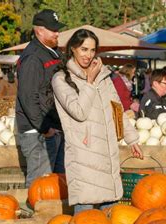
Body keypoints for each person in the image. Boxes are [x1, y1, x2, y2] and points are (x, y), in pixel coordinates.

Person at [51, 29, 143, 214]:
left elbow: (117, 109)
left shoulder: (103, 76)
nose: (88, 55)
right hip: (84, 154)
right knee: (85, 221)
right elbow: (79, 112)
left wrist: (132, 139)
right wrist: (90, 83)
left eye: (92, 50)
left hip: (107, 152)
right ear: (73, 49)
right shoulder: (61, 79)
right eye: (84, 49)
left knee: (110, 219)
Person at [15, 9, 66, 187]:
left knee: (56, 182)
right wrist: (44, 127)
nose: (57, 33)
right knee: (40, 184)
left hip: (52, 127)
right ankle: (34, 213)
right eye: (53, 30)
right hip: (38, 131)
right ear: (39, 31)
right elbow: (28, 96)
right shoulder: (33, 57)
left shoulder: (51, 52)